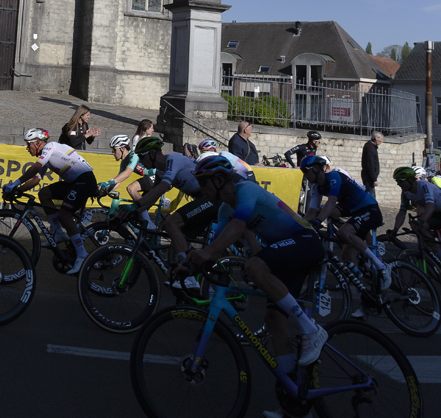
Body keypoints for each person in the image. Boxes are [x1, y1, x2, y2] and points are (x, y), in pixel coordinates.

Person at [188, 154, 328, 385]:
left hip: (305, 240)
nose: (200, 188)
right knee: (273, 318)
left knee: (255, 265)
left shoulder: (246, 190)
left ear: (220, 180)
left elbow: (238, 226)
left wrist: (206, 253)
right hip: (287, 251)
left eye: (204, 182)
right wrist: (188, 265)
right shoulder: (225, 209)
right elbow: (214, 246)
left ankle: (311, 329)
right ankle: (293, 394)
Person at [2, 128, 98, 274]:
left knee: (64, 215)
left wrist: (14, 183)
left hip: (85, 181)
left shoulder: (50, 147)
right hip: (75, 182)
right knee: (44, 193)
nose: (27, 148)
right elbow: (35, 180)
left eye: (28, 145)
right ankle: (58, 232)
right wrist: (18, 190)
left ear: (37, 143)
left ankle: (82, 255)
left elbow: (35, 168)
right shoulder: (46, 156)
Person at [129, 136, 216, 286]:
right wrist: (135, 212)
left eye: (142, 156)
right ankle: (199, 281)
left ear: (152, 154)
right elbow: (153, 195)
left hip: (211, 198)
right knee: (181, 238)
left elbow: (162, 187)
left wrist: (136, 207)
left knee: (171, 224)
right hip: (202, 199)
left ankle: (187, 276)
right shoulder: (161, 171)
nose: (140, 161)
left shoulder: (173, 159)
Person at [301, 154, 390, 289]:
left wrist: (318, 222)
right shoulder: (316, 187)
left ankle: (381, 266)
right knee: (346, 255)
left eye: (306, 171)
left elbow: (331, 202)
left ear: (317, 169)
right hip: (352, 209)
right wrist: (299, 225)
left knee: (343, 230)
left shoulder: (334, 177)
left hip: (369, 208)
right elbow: (311, 212)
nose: (304, 175)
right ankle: (364, 289)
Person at [97, 134, 160, 214]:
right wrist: (106, 189)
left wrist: (108, 183)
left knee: (131, 188)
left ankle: (148, 223)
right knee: (136, 211)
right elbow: (118, 181)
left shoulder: (134, 155)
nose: (112, 153)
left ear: (122, 148)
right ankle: (144, 223)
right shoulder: (124, 162)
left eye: (114, 150)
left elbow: (127, 173)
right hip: (152, 179)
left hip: (159, 175)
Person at [391, 165, 441, 237]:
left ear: (410, 179)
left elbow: (430, 206)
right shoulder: (405, 193)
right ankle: (434, 247)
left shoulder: (424, 185)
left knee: (421, 226)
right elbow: (402, 212)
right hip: (436, 214)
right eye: (397, 181)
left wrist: (420, 221)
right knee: (419, 229)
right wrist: (395, 230)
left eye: (400, 181)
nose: (398, 184)